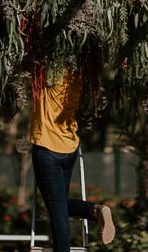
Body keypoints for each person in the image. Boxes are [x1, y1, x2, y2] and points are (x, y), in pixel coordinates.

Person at [30, 67, 114, 252]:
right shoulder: (77, 76)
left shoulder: (49, 72)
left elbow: (24, 62)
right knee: (59, 204)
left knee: (57, 211)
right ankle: (96, 211)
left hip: (47, 148)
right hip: (69, 147)